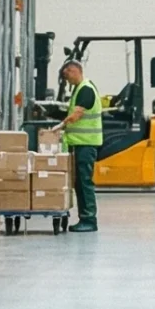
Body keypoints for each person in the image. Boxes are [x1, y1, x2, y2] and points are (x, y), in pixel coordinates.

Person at [59, 58, 101, 232]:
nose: (66, 80)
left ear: (73, 71)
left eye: (66, 75)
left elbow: (76, 116)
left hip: (86, 145)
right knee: (79, 182)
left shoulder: (85, 89)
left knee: (84, 182)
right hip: (80, 144)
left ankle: (89, 219)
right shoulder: (80, 89)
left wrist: (58, 126)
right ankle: (85, 217)